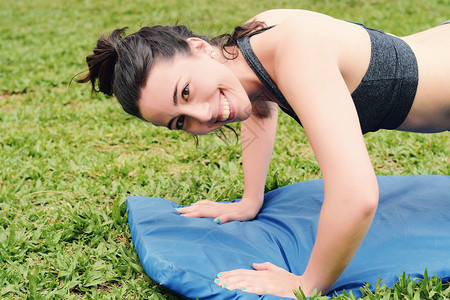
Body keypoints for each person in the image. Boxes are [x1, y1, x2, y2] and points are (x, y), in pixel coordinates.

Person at [77, 9, 450, 298]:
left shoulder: (295, 50)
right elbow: (259, 103)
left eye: (186, 92)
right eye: (180, 122)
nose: (204, 116)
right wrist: (249, 200)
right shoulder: (253, 42)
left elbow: (357, 197)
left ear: (198, 48)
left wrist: (308, 284)